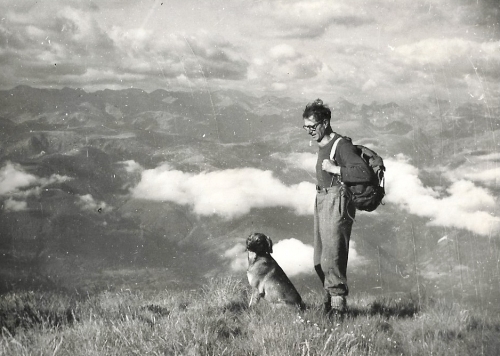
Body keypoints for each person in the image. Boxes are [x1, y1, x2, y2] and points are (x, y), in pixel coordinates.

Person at [302, 99, 373, 316]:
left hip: (337, 201)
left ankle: (336, 312)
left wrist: (335, 169)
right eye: (306, 127)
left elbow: (364, 173)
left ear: (325, 123)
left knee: (332, 258)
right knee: (320, 259)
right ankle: (329, 302)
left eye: (313, 127)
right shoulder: (324, 145)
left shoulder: (341, 145)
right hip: (323, 199)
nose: (309, 131)